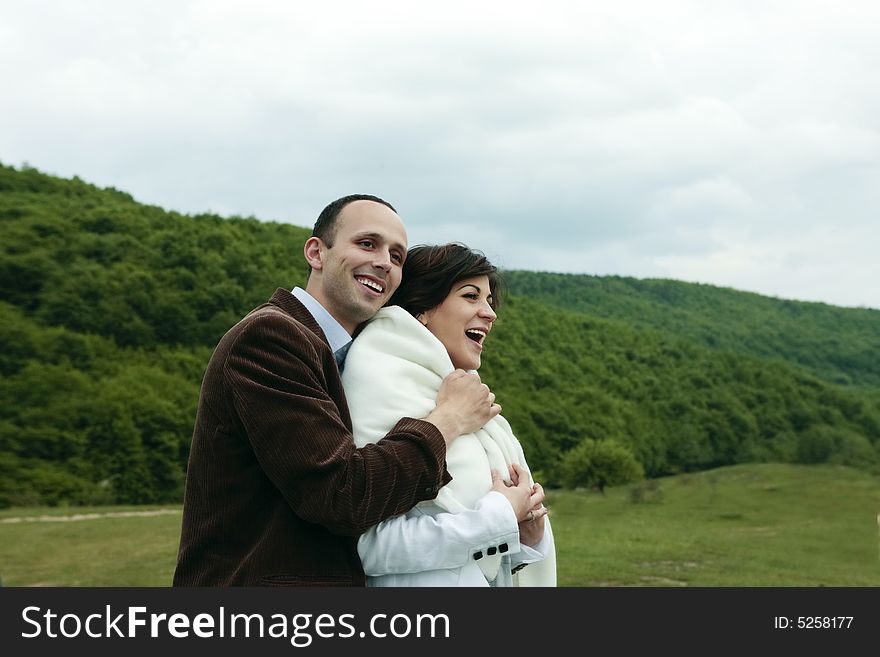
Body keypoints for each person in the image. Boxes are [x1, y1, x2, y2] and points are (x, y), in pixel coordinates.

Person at [173, 196, 528, 586]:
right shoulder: (271, 337)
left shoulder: (347, 357)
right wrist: (447, 420)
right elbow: (340, 494)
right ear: (316, 252)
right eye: (367, 243)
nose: (384, 262)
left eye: (397, 256)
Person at [342, 243, 557, 586]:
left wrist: (528, 535)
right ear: (422, 307)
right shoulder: (379, 379)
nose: (490, 313)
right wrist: (500, 515)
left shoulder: (461, 391)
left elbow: (481, 551)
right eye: (471, 296)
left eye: (489, 300)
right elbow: (370, 545)